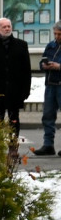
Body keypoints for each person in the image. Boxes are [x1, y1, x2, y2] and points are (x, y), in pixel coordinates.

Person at [0, 17, 31, 138]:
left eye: (8, 26)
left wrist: (26, 90)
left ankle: (13, 145)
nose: (7, 29)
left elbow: (26, 70)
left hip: (15, 89)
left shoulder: (21, 45)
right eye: (4, 27)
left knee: (14, 118)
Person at [34, 22, 61, 156]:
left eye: (59, 34)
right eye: (55, 33)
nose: (57, 36)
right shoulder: (51, 45)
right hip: (50, 85)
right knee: (48, 116)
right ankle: (48, 144)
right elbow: (40, 62)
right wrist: (43, 65)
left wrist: (58, 66)